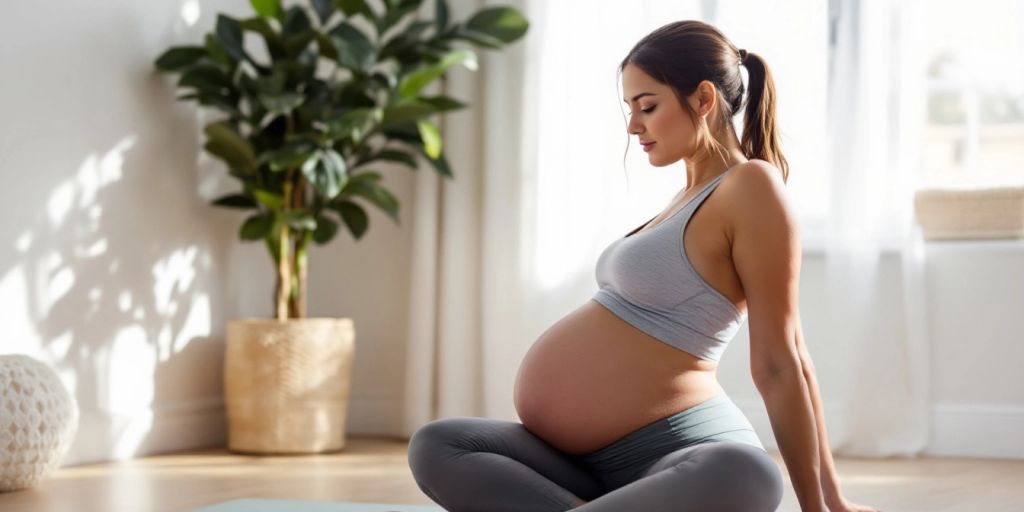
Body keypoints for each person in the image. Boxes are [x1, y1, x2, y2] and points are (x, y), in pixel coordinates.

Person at [407, 19, 881, 512]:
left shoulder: (751, 186)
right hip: (587, 467)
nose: (634, 126)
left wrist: (824, 504)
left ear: (703, 100)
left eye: (647, 107)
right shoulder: (682, 198)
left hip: (679, 457)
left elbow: (787, 361)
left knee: (746, 472)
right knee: (439, 443)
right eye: (630, 110)